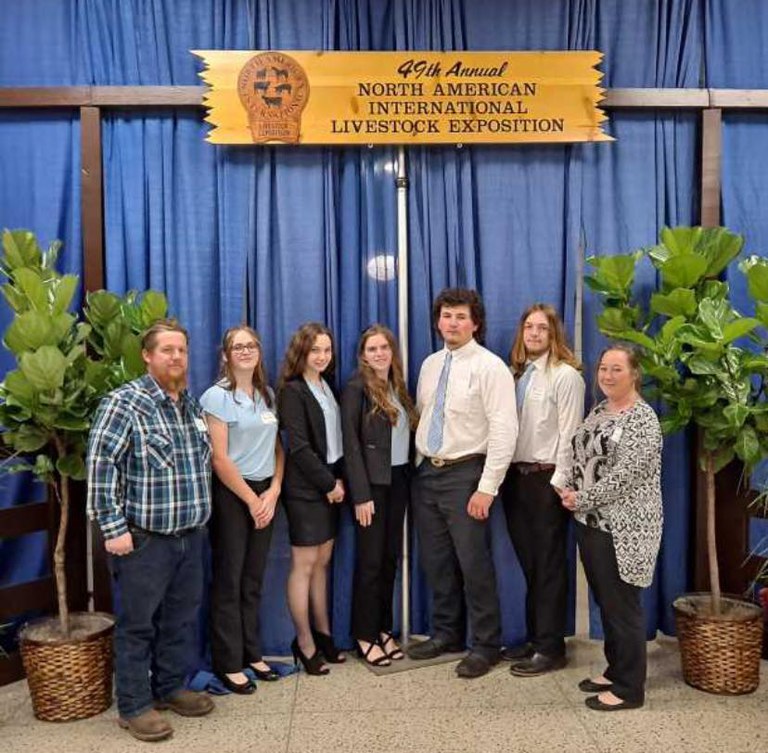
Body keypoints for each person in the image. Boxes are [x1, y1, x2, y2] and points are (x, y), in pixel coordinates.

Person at [86, 320, 214, 742]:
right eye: (167, 350)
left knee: (179, 620)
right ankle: (135, 705)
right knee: (137, 625)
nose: (176, 357)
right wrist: (112, 527)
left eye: (181, 350)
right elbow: (101, 468)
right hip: (143, 541)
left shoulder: (190, 406)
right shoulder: (125, 403)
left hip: (190, 537)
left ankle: (171, 687)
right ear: (147, 355)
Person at [407, 288, 517, 679]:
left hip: (466, 474)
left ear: (475, 323)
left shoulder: (491, 368)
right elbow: (422, 415)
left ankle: (486, 644)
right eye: (446, 315)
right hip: (428, 475)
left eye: (460, 317)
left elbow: (505, 429)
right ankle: (447, 634)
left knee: (474, 564)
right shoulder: (430, 364)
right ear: (438, 320)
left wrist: (487, 487)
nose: (452, 323)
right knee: (437, 562)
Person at [560, 344, 663, 711]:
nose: (607, 375)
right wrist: (570, 488)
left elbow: (625, 477)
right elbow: (582, 454)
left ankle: (630, 688)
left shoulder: (642, 419)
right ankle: (616, 668)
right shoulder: (600, 409)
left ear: (634, 374)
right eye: (603, 368)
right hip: (591, 523)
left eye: (616, 369)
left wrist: (582, 499)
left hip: (625, 527)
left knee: (623, 606)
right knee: (606, 602)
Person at [501, 304, 585, 676]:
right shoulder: (516, 376)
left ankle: (551, 648)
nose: (534, 334)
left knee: (549, 566)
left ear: (554, 335)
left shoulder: (565, 376)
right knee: (531, 566)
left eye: (542, 329)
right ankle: (537, 638)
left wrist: (559, 484)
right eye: (529, 327)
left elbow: (571, 435)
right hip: (516, 480)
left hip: (547, 479)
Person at [200, 326, 285, 694]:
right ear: (226, 355)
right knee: (229, 580)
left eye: (251, 345)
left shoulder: (266, 395)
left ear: (259, 351)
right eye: (238, 347)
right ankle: (228, 662)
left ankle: (253, 653)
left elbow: (278, 449)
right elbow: (220, 459)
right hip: (234, 495)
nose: (246, 351)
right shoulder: (216, 397)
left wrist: (275, 490)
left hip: (267, 493)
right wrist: (252, 501)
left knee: (253, 580)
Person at [341, 324, 418, 667]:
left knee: (389, 559)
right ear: (363, 355)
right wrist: (360, 494)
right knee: (370, 562)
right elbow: (351, 445)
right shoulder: (356, 388)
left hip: (399, 480)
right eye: (372, 349)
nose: (379, 354)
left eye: (384, 347)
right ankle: (364, 634)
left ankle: (384, 628)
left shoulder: (398, 386)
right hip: (370, 486)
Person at [278, 322, 346, 675]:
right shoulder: (293, 391)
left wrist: (338, 481)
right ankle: (303, 642)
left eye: (327, 350)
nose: (321, 356)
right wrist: (328, 485)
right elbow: (300, 448)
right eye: (315, 350)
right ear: (301, 352)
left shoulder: (327, 387)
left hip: (330, 485)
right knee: (304, 566)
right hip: (307, 490)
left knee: (322, 564)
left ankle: (324, 635)